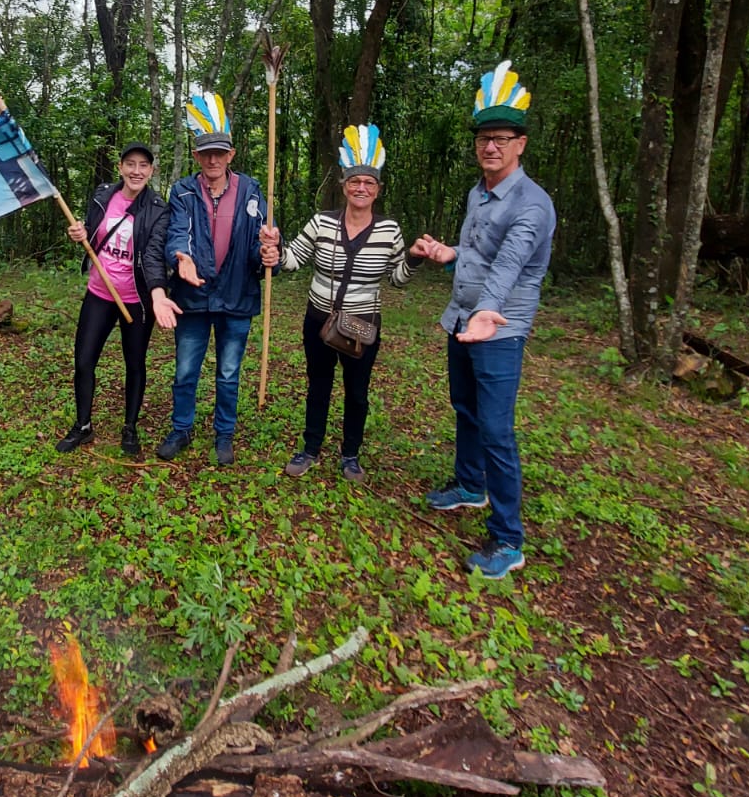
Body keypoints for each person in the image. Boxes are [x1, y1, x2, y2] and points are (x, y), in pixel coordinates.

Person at [410, 61, 555, 579]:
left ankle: (508, 538)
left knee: (496, 429)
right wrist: (447, 252)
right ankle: (470, 486)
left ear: (521, 144)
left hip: (498, 330)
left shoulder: (532, 205)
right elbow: (478, 253)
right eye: (483, 138)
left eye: (501, 138)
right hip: (462, 320)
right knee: (465, 409)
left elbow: (510, 267)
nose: (490, 146)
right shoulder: (479, 193)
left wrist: (488, 313)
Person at [260, 125, 417, 484]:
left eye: (369, 183)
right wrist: (273, 250)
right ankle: (310, 448)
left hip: (362, 326)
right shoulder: (322, 222)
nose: (361, 188)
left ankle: (350, 455)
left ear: (377, 189)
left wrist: (416, 258)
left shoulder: (388, 230)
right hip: (318, 319)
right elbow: (293, 258)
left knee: (357, 392)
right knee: (318, 384)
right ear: (344, 185)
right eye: (354, 181)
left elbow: (397, 277)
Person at [152, 93, 268, 468]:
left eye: (219, 152)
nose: (213, 160)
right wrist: (181, 258)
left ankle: (224, 433)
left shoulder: (251, 190)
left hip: (236, 296)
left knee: (229, 372)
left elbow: (256, 245)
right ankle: (181, 428)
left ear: (231, 154)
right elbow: (178, 232)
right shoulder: (183, 190)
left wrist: (269, 253)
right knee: (186, 369)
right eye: (206, 153)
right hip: (193, 298)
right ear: (197, 155)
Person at [56, 142, 170, 457]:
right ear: (120, 167)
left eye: (143, 165)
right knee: (83, 361)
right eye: (130, 164)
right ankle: (82, 426)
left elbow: (153, 254)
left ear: (151, 171)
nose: (136, 171)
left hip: (136, 300)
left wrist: (159, 290)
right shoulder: (103, 194)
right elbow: (93, 231)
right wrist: (82, 232)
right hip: (99, 294)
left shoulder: (158, 209)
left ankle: (130, 428)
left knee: (134, 364)